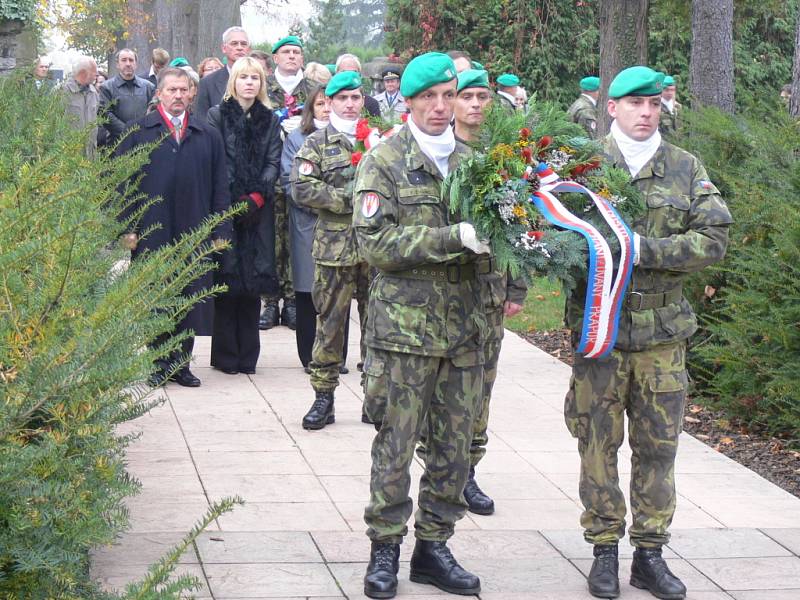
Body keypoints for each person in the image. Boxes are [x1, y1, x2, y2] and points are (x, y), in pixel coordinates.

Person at [565, 66, 732, 600]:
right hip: (600, 334)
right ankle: (604, 550)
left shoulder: (685, 168)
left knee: (658, 446)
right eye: (635, 103)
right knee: (597, 442)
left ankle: (650, 553)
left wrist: (645, 251)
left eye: (654, 104)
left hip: (661, 335)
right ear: (610, 108)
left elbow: (713, 237)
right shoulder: (581, 169)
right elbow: (548, 239)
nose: (646, 112)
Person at [353, 52, 488, 599]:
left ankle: (433, 545)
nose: (440, 107)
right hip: (404, 334)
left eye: (448, 95)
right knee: (396, 445)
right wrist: (451, 238)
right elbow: (375, 244)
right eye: (428, 97)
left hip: (465, 332)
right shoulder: (383, 162)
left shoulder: (477, 162)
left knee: (455, 447)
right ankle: (384, 548)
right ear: (407, 101)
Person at [116, 67, 231, 388]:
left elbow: (220, 185)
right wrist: (127, 228)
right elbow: (124, 185)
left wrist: (220, 230)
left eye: (184, 90)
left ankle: (181, 363)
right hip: (152, 230)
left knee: (190, 296)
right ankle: (157, 361)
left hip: (195, 229)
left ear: (192, 93)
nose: (178, 96)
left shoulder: (206, 134)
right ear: (159, 94)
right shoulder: (138, 132)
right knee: (156, 295)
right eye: (172, 90)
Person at [450, 68, 526, 515]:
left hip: (491, 290)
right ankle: (444, 467)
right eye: (468, 96)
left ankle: (470, 471)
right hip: (449, 289)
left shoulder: (507, 156)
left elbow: (522, 225)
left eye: (483, 96)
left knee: (483, 385)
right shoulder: (443, 154)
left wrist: (517, 285)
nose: (476, 104)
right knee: (447, 390)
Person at [291, 71, 372, 430]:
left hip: (377, 249)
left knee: (378, 327)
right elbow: (302, 188)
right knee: (330, 326)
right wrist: (348, 201)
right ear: (330, 103)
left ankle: (375, 398)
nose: (351, 104)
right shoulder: (317, 144)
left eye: (356, 98)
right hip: (335, 250)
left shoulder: (379, 140)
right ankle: (323, 397)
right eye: (343, 99)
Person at [207, 57, 281, 375]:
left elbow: (273, 161)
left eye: (255, 77)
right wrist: (232, 197)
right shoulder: (217, 115)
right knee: (227, 276)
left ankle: (248, 356)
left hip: (257, 209)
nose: (249, 82)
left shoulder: (269, 119)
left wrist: (257, 194)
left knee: (252, 280)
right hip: (225, 206)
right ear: (233, 81)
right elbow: (215, 158)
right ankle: (225, 357)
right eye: (243, 77)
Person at [261, 35, 313, 332]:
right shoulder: (265, 87)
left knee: (295, 238)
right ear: (275, 57)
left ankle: (293, 301)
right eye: (286, 52)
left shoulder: (313, 89)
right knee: (271, 237)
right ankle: (270, 302)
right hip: (270, 170)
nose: (292, 56)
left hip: (302, 174)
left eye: (296, 52)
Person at [281, 85, 331, 371]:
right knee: (306, 288)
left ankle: (333, 353)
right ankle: (308, 354)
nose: (325, 109)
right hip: (307, 221)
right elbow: (290, 181)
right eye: (320, 104)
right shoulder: (297, 138)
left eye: (329, 103)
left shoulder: (351, 137)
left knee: (337, 291)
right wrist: (326, 204)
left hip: (340, 225)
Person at [99, 49, 155, 143]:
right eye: (124, 60)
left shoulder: (148, 87)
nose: (128, 64)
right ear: (117, 64)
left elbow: (154, 111)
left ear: (136, 64)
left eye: (131, 60)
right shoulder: (106, 88)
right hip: (117, 144)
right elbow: (105, 114)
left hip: (143, 142)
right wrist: (128, 132)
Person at [195, 26, 251, 121]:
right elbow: (202, 121)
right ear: (224, 48)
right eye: (234, 44)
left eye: (244, 44)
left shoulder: (260, 80)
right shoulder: (208, 83)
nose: (239, 47)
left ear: (248, 49)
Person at [63, 56, 99, 159]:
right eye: (94, 71)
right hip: (68, 156)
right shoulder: (61, 92)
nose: (97, 74)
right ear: (83, 73)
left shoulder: (94, 93)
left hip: (90, 156)